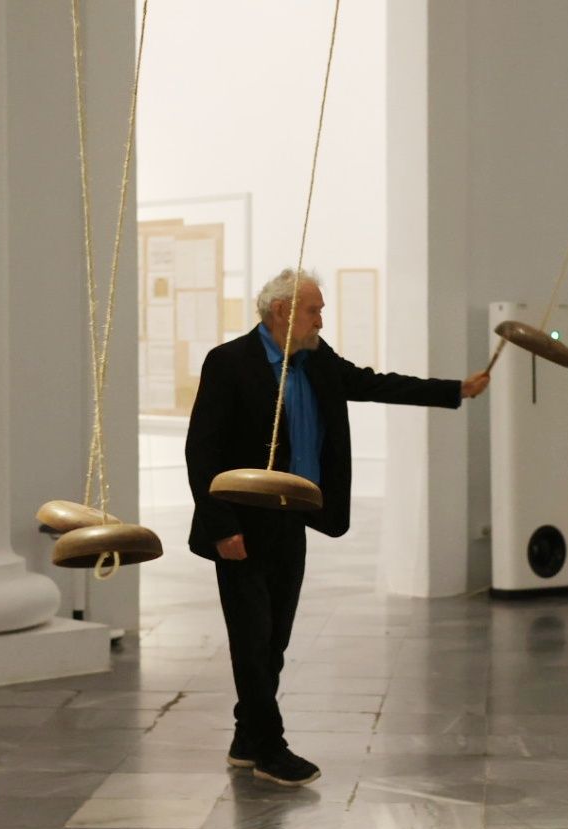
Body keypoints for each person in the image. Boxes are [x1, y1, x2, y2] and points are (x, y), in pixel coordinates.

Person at [185, 268, 490, 786]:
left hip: (292, 516)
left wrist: (454, 390)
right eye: (314, 311)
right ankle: (269, 748)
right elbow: (202, 450)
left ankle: (246, 736)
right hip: (243, 522)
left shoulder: (316, 358)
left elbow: (373, 383)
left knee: (274, 639)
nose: (321, 320)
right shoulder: (229, 362)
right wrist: (221, 529)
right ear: (282, 311)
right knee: (251, 638)